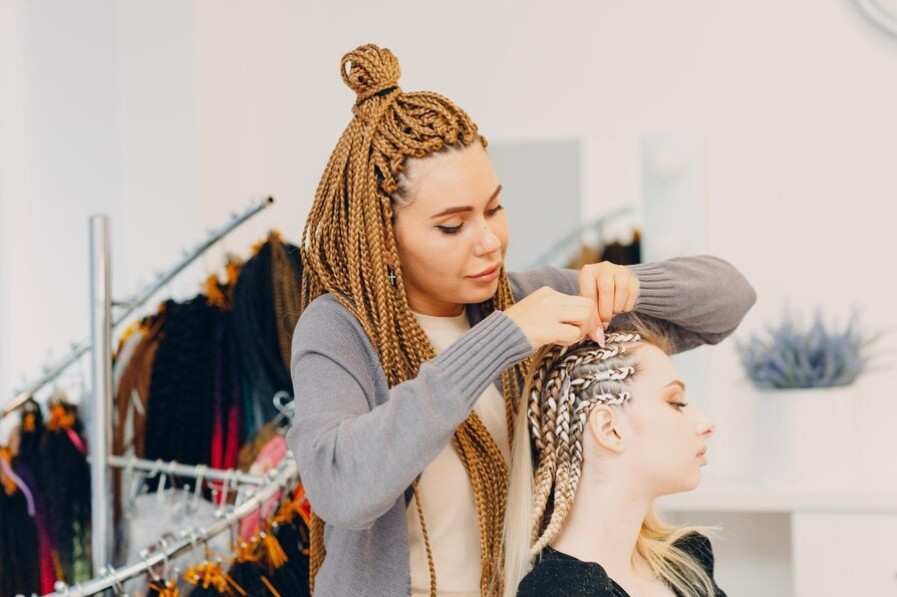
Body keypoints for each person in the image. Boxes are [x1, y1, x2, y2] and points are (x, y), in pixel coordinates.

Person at [287, 43, 755, 597]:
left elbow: (729, 300)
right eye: (451, 226)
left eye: (494, 208)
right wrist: (501, 341)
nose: (488, 241)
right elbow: (343, 487)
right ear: (385, 239)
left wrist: (631, 284)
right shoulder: (339, 331)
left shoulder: (528, 299)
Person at [505, 323, 726, 597]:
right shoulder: (560, 591)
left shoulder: (685, 563)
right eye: (675, 402)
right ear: (610, 429)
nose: (706, 425)